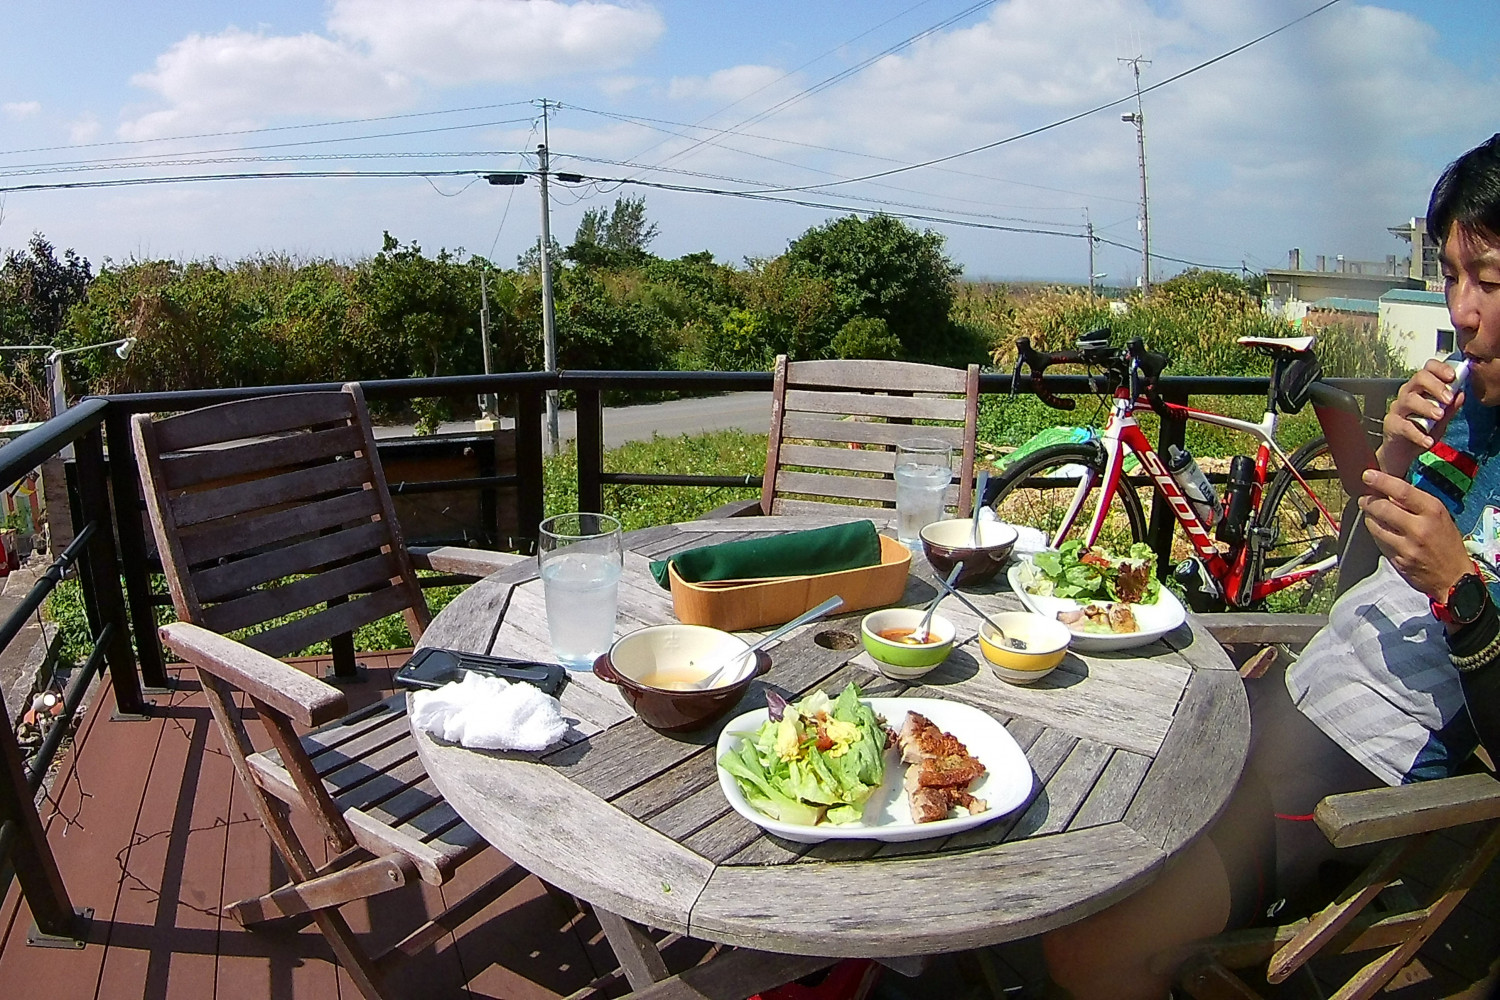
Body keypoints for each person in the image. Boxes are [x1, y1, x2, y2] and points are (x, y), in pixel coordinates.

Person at [1041, 133, 1500, 1000]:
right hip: (1292, 690)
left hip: (1364, 757)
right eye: (1450, 276)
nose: (1463, 312)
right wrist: (1396, 456)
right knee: (1061, 793)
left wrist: (1460, 590)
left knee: (1090, 944)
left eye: (1491, 280)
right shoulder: (1465, 406)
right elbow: (1360, 576)